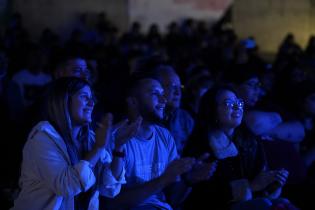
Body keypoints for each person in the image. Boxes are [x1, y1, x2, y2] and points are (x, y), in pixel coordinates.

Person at [11, 77, 134, 210]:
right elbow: (66, 186)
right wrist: (98, 147)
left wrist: (118, 147)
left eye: (92, 97)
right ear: (64, 101)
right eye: (84, 97)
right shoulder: (42, 139)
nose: (92, 103)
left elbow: (109, 188)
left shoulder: (91, 138)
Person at [103, 75, 216, 210]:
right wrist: (162, 180)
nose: (164, 100)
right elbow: (111, 204)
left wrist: (188, 179)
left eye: (163, 94)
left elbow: (172, 198)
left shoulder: (165, 136)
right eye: (155, 94)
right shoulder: (115, 139)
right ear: (133, 102)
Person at [183, 85, 292, 210]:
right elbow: (203, 196)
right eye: (228, 103)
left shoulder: (251, 140)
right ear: (212, 110)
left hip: (250, 203)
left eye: (238, 102)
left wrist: (272, 182)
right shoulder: (200, 146)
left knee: (282, 203)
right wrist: (251, 187)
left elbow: (259, 180)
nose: (237, 107)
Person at [150, 65, 194, 155]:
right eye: (172, 86)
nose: (178, 92)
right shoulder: (147, 118)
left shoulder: (186, 118)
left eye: (180, 87)